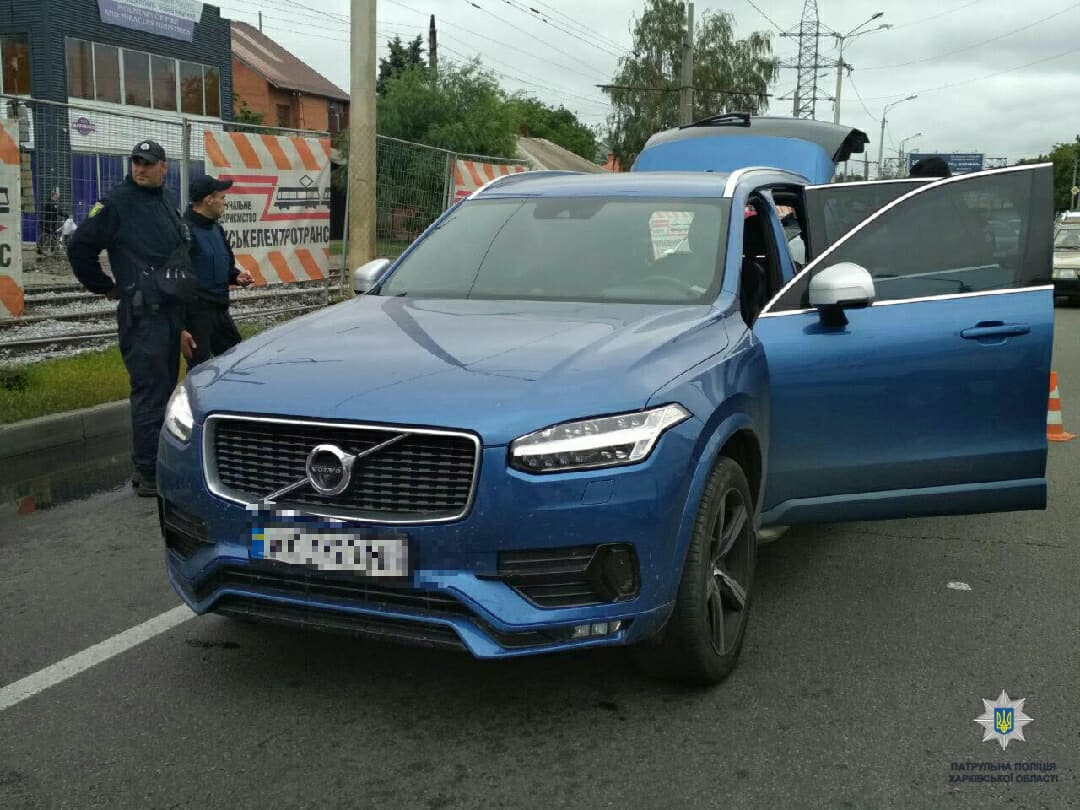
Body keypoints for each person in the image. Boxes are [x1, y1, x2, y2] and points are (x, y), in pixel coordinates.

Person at [67, 140, 190, 498]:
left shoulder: (164, 201)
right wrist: (104, 287)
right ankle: (148, 472)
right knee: (150, 394)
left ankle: (159, 462)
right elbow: (79, 247)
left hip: (169, 312)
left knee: (166, 390)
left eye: (148, 163)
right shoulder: (116, 204)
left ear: (163, 167)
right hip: (143, 317)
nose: (140, 168)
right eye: (136, 162)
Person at [180, 175, 254, 368]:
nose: (224, 203)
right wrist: (180, 327)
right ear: (208, 200)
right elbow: (175, 281)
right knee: (200, 371)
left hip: (220, 309)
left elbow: (227, 266)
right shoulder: (184, 232)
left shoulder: (216, 229)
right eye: (222, 198)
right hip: (196, 314)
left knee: (236, 361)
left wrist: (237, 277)